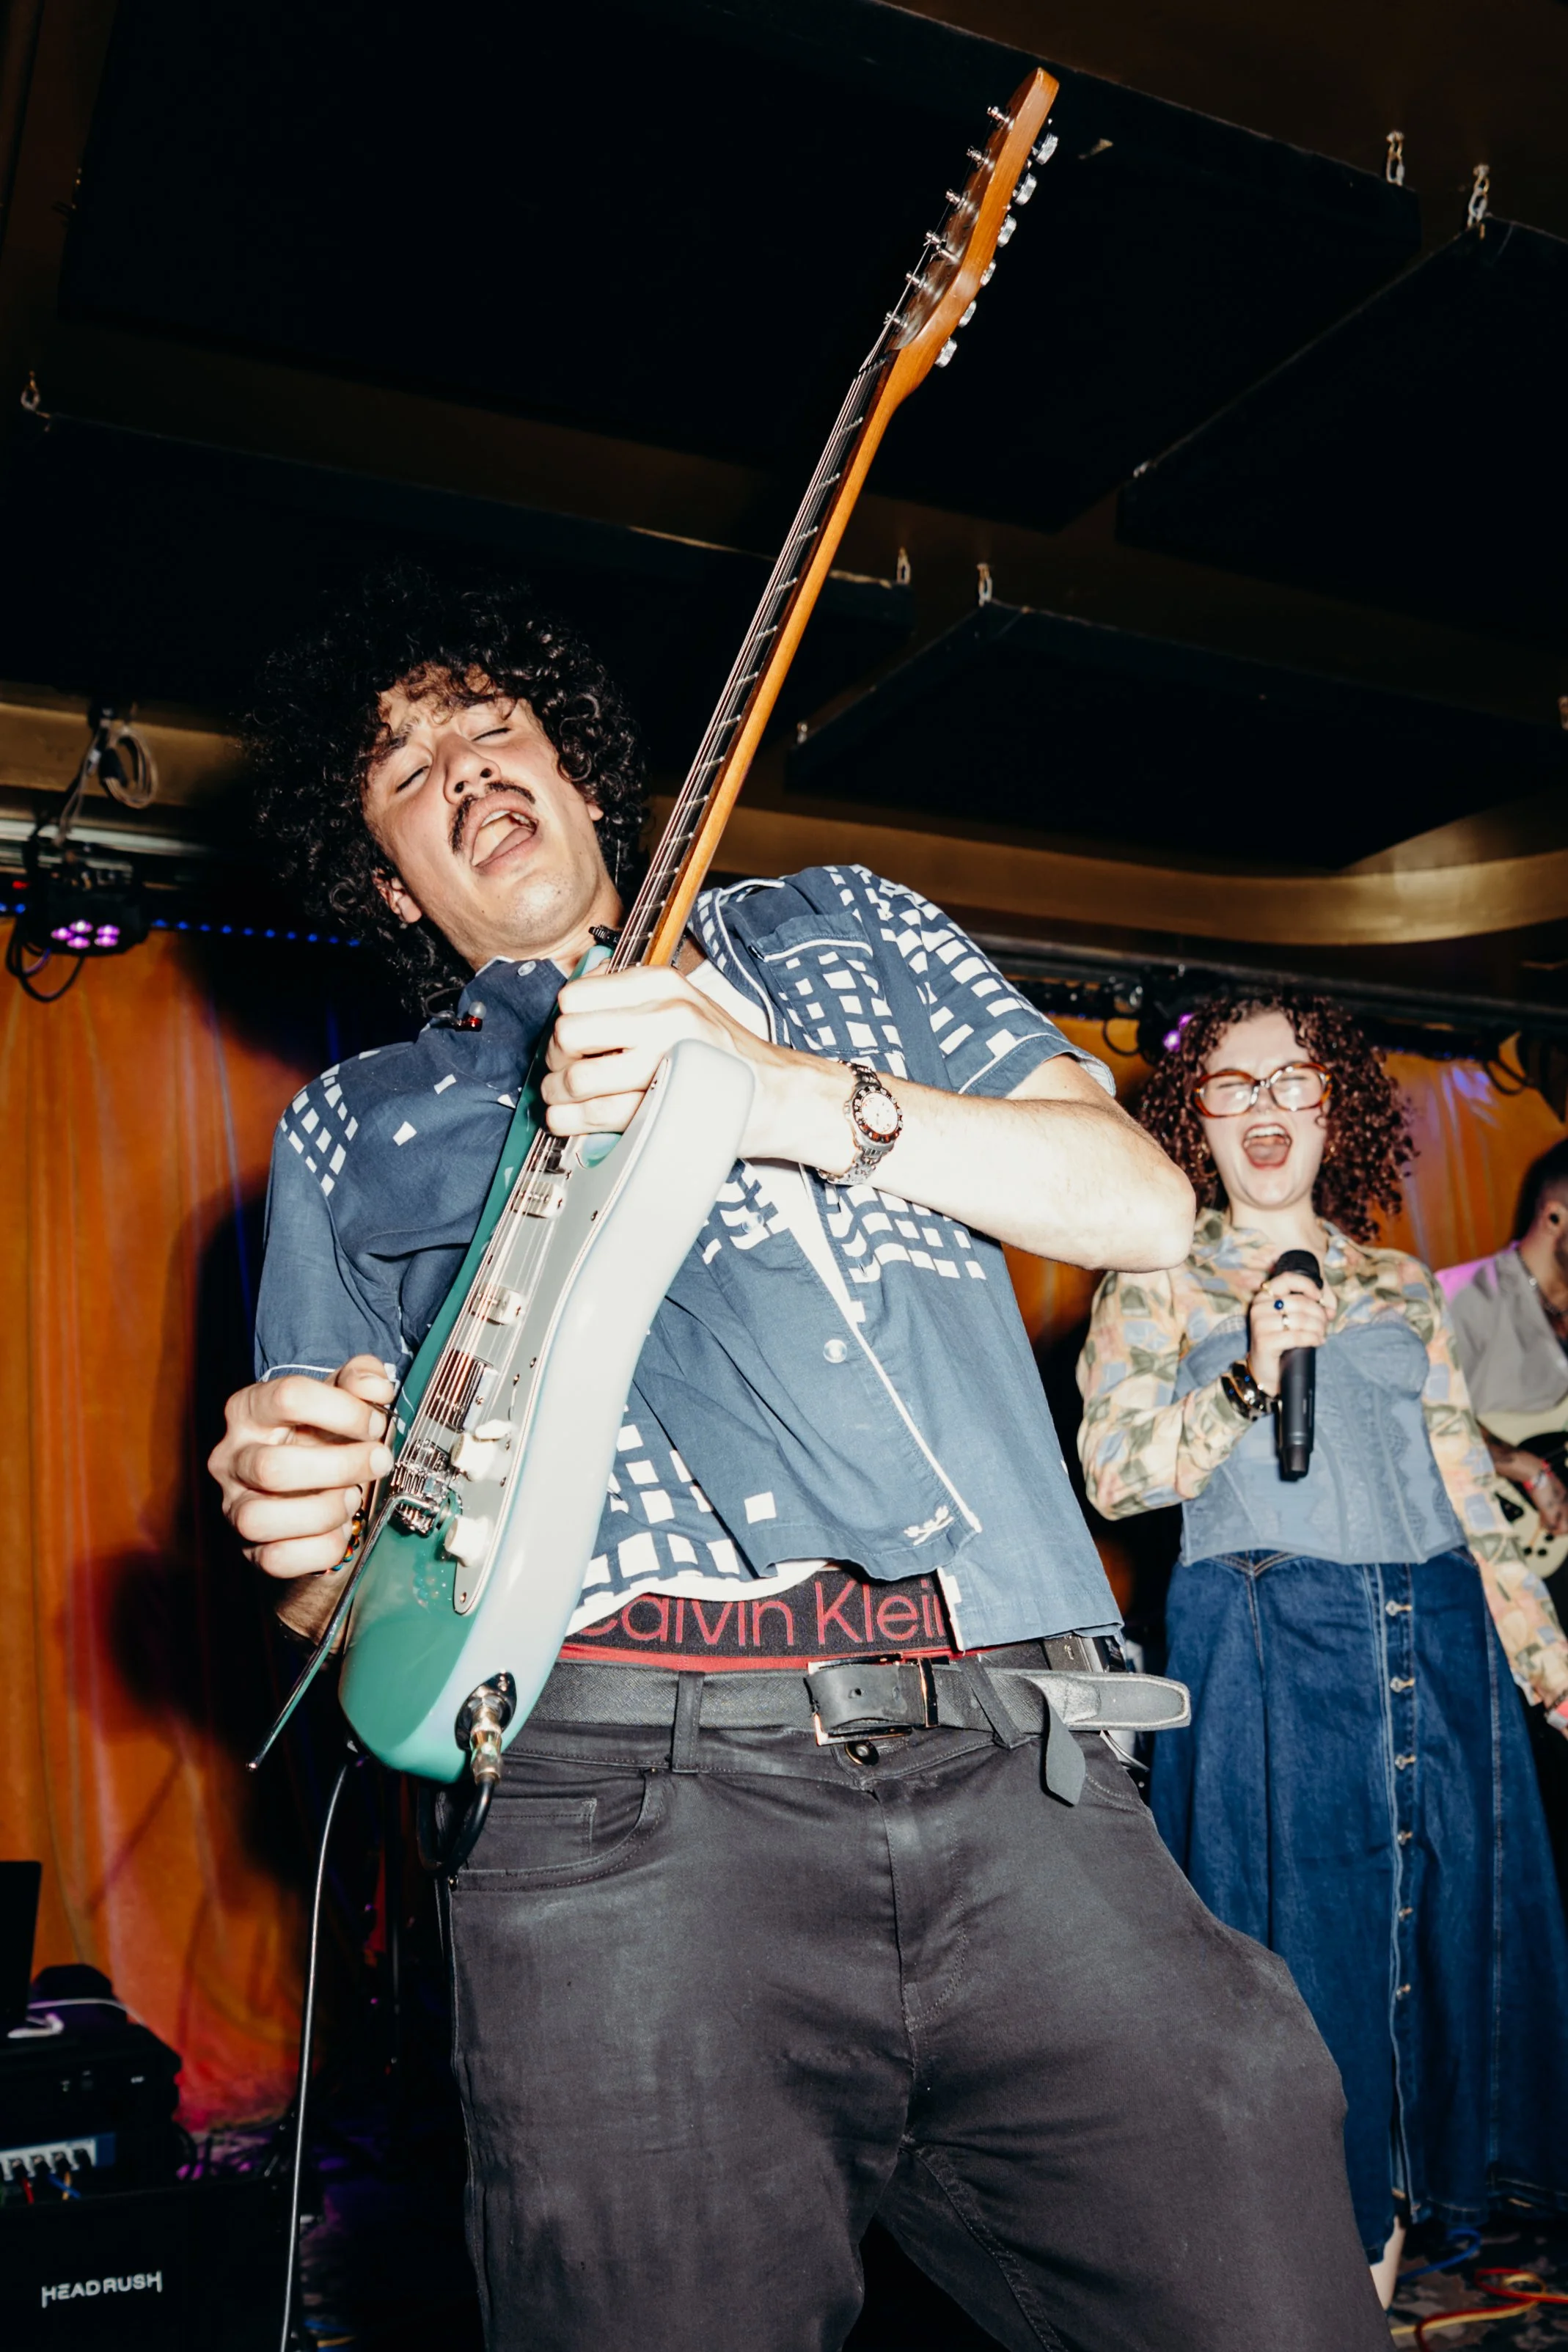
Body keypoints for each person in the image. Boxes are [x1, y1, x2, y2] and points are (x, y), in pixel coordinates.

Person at [209, 569, 1391, 2352]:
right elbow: (353, 1607)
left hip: (1019, 1760)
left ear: (588, 777)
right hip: (614, 1821)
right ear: (391, 881)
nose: (460, 769)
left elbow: (1142, 1202)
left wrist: (780, 1093)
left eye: (489, 723)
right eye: (402, 773)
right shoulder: (350, 1128)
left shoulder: (842, 931)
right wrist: (299, 1535)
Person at [1077, 992, 1568, 2308]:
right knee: (1300, 1998)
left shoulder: (1400, 1282)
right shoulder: (1154, 1274)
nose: (1262, 1106)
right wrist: (1242, 1372)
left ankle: (1371, 2298)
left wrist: (1542, 1652)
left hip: (1441, 1651)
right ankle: (1300, 2298)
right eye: (1227, 1087)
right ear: (1196, 1124)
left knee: (1428, 1992)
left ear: (1330, 1105)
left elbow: (1464, 1484)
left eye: (1289, 1078)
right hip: (1274, 1664)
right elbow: (1117, 1475)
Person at [1439, 1137, 1568, 1557]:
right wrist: (1532, 1470)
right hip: (1490, 1551)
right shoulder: (1462, 1296)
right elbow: (1418, 1413)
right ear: (1554, 1218)